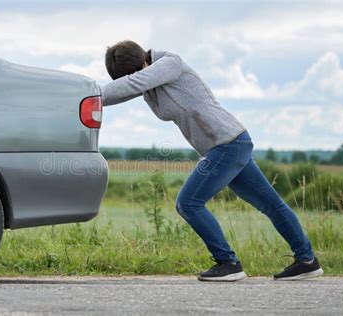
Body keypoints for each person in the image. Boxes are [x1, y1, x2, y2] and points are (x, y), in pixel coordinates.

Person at [101, 40, 324, 282]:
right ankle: (307, 261)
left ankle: (228, 263)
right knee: (270, 204)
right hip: (229, 144)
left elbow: (134, 83)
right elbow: (127, 89)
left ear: (144, 60)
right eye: (128, 76)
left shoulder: (169, 63)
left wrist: (90, 94)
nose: (134, 78)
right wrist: (87, 99)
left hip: (226, 144)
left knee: (189, 203)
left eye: (136, 72)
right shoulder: (147, 78)